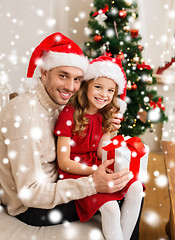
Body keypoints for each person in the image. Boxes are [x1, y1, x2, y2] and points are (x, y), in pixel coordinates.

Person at [0, 32, 133, 228]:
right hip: (33, 208)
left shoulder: (60, 104)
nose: (71, 87)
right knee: (119, 198)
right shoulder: (24, 114)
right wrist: (92, 183)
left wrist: (108, 125)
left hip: (60, 181)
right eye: (63, 76)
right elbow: (30, 193)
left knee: (132, 187)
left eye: (78, 79)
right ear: (44, 72)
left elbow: (86, 139)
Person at [54, 56, 144, 240]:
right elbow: (63, 162)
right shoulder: (69, 113)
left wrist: (109, 132)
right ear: (86, 86)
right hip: (76, 172)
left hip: (97, 164)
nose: (104, 94)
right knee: (110, 208)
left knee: (136, 187)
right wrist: (95, 172)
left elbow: (100, 153)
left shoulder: (104, 114)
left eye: (110, 90)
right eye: (98, 87)